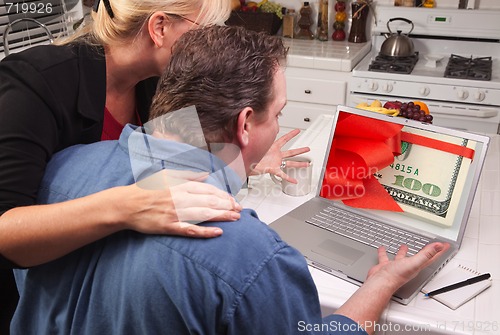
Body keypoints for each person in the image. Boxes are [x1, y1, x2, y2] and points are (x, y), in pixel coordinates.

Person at [12, 25, 449, 335]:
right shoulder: (251, 257)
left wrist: (241, 163)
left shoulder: (62, 169)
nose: (278, 124)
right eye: (277, 114)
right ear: (244, 124)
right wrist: (382, 283)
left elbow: (174, 137)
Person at [0, 0, 308, 331]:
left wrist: (245, 156)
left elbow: (188, 154)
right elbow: (6, 231)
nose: (213, 42)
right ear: (159, 27)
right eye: (205, 30)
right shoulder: (36, 84)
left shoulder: (158, 82)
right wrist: (128, 205)